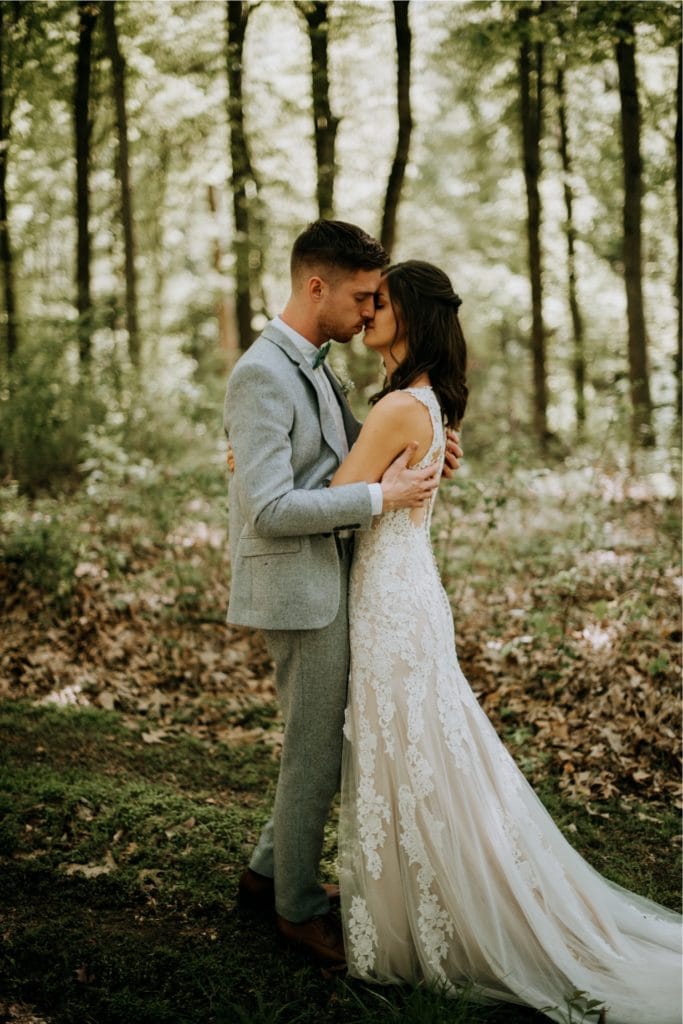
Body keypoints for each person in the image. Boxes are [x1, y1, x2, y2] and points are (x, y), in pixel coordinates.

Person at [331, 260, 682, 1023]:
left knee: (413, 752)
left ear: (413, 318)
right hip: (404, 589)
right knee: (421, 752)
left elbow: (333, 501)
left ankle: (438, 921)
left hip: (393, 598)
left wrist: (251, 476)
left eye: (380, 303)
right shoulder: (417, 404)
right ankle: (434, 905)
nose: (366, 313)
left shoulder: (398, 408)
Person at [223, 221, 462, 968]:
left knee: (318, 748)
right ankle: (296, 911)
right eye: (361, 295)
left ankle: (268, 878)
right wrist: (377, 497)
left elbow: (342, 453)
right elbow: (269, 507)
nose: (368, 311)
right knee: (314, 754)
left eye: (378, 299)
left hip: (335, 576)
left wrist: (421, 442)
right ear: (314, 286)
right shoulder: (262, 372)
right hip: (298, 583)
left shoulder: (318, 366)